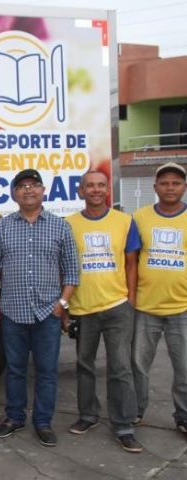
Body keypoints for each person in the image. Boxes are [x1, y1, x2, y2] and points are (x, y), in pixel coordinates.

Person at [0, 169, 79, 447]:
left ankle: (43, 422)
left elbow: (72, 271)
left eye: (34, 185)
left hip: (48, 314)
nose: (29, 190)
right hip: (12, 313)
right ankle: (14, 417)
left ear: (43, 191)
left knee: (47, 371)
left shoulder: (60, 227)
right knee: (15, 370)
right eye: (22, 186)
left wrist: (62, 305)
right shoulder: (2, 227)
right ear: (14, 194)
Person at [65, 170, 143, 453]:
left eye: (101, 185)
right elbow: (64, 267)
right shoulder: (68, 224)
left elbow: (131, 264)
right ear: (80, 191)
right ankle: (88, 415)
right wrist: (65, 309)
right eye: (90, 186)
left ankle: (123, 425)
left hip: (117, 306)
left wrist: (129, 300)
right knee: (84, 365)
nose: (96, 190)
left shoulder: (124, 221)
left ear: (108, 189)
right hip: (83, 308)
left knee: (120, 367)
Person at [132, 161, 187, 440]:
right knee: (138, 365)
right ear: (155, 187)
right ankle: (136, 411)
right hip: (145, 307)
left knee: (184, 368)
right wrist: (131, 298)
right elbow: (131, 261)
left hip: (183, 308)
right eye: (164, 183)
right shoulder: (139, 218)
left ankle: (183, 416)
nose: (170, 188)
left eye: (176, 183)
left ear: (184, 187)